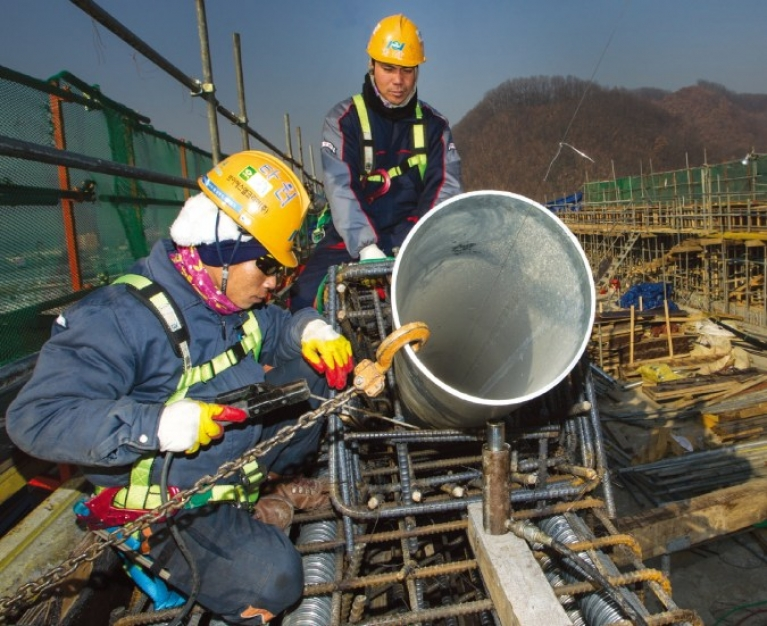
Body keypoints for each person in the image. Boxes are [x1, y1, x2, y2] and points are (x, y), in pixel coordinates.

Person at [6, 151, 353, 625]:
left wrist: (311, 329)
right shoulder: (121, 318)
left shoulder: (232, 299)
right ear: (224, 249)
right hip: (171, 499)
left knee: (314, 370)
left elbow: (279, 327)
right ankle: (176, 546)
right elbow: (36, 418)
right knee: (274, 582)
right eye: (269, 266)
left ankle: (273, 487)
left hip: (236, 457)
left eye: (284, 272)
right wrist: (159, 425)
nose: (275, 283)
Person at [288, 13, 463, 312]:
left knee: (455, 296)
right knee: (303, 299)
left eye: (407, 70)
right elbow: (340, 184)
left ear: (417, 71)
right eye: (388, 68)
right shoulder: (343, 120)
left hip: (409, 233)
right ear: (371, 65)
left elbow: (444, 189)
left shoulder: (435, 126)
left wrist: (420, 245)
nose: (398, 80)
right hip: (351, 234)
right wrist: (366, 247)